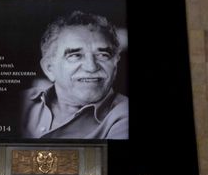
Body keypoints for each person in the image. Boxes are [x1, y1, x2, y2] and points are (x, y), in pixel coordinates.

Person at [20, 10, 128, 139]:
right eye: (75, 55)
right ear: (49, 69)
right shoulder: (21, 101)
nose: (91, 67)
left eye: (102, 55)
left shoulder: (124, 116)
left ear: (115, 65)